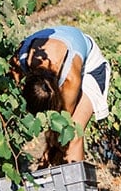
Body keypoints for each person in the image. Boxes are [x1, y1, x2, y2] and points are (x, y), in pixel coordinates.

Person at [10, 25, 111, 167]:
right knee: (55, 146)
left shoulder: (70, 78)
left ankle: (75, 186)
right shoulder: (22, 60)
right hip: (59, 45)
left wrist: (49, 151)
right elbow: (5, 92)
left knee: (72, 135)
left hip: (89, 68)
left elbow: (63, 122)